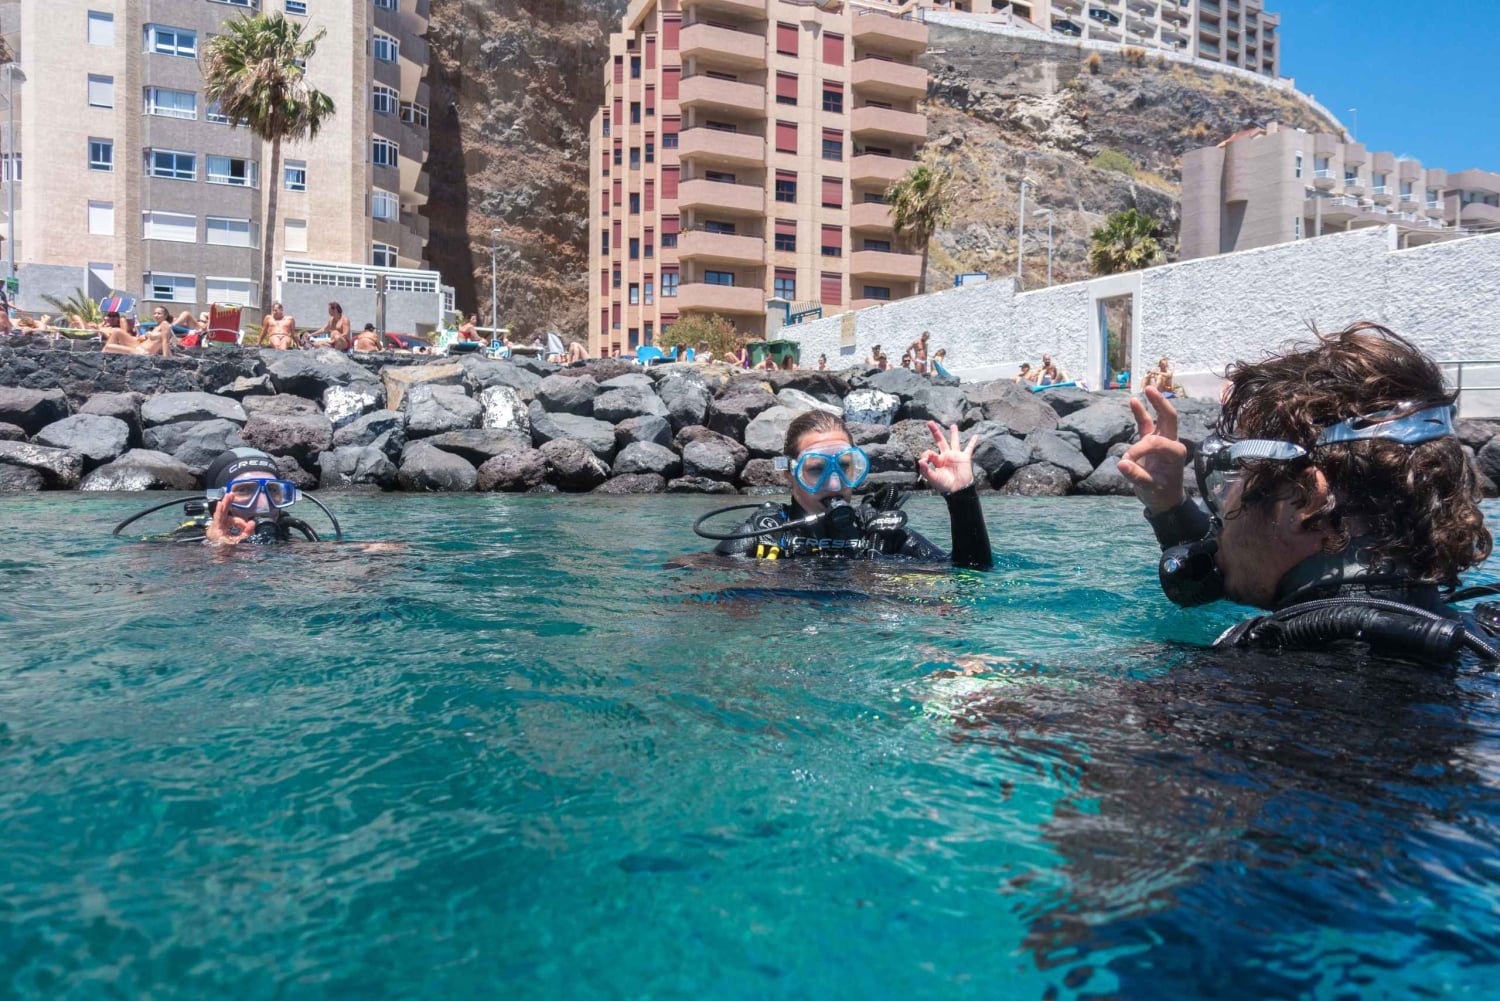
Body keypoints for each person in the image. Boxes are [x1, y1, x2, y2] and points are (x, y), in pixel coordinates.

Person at [1118, 322, 1498, 663]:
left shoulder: (1241, 696)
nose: (1222, 513)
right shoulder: (1472, 639)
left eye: (1239, 476)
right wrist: (1169, 508)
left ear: (1304, 501)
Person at [707, 411, 993, 569]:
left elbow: (971, 574)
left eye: (844, 467)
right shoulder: (763, 537)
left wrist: (962, 497)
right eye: (816, 469)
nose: (834, 484)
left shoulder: (880, 535)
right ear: (789, 473)